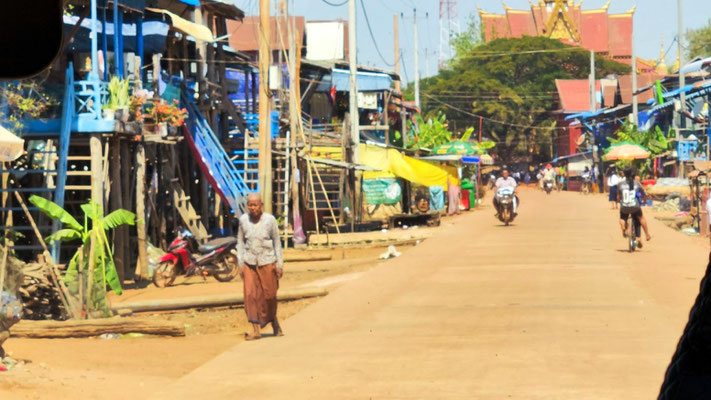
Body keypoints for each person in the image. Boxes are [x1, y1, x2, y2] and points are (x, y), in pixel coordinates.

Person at [237, 193, 284, 340]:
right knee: (250, 295)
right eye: (250, 205)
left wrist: (280, 263)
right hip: (249, 262)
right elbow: (240, 242)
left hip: (267, 261)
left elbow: (277, 242)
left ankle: (273, 320)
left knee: (270, 295)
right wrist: (240, 262)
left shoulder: (270, 220)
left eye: (255, 205)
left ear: (261, 205)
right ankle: (255, 329)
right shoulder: (243, 220)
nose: (253, 208)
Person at [617, 167, 652, 245]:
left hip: (624, 206)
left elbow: (618, 197)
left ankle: (623, 229)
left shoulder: (620, 184)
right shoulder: (636, 183)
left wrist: (620, 201)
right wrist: (645, 200)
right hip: (635, 206)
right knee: (641, 218)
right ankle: (647, 234)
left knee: (622, 218)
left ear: (624, 174)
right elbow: (644, 194)